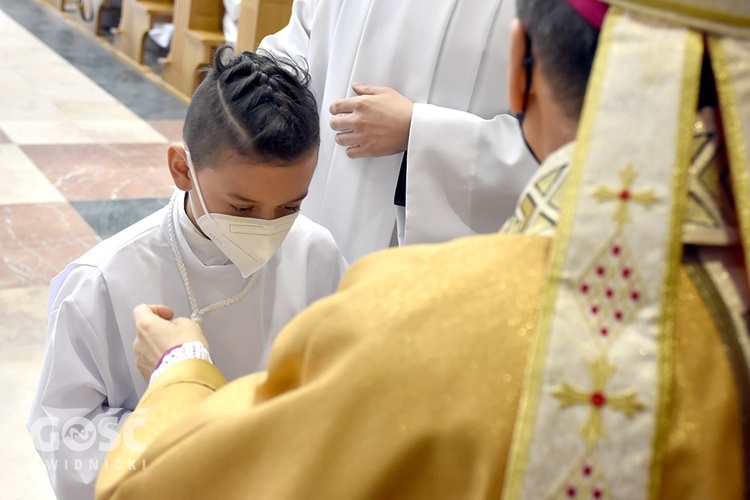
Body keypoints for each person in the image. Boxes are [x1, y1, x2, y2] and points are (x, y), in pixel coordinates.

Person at [97, 0, 750, 498]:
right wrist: (252, 97)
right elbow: (305, 39)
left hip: (453, 269)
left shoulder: (425, 325)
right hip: (329, 206)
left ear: (525, 68)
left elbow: (172, 480)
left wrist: (425, 131)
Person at [28, 46, 347, 500]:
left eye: (290, 206)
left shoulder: (316, 253)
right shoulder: (102, 280)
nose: (266, 227)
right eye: (241, 207)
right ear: (182, 169)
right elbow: (65, 437)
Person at [259, 0, 538, 263]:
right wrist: (261, 85)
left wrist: (418, 130)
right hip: (319, 208)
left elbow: (560, 144)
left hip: (432, 253)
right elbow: (303, 40)